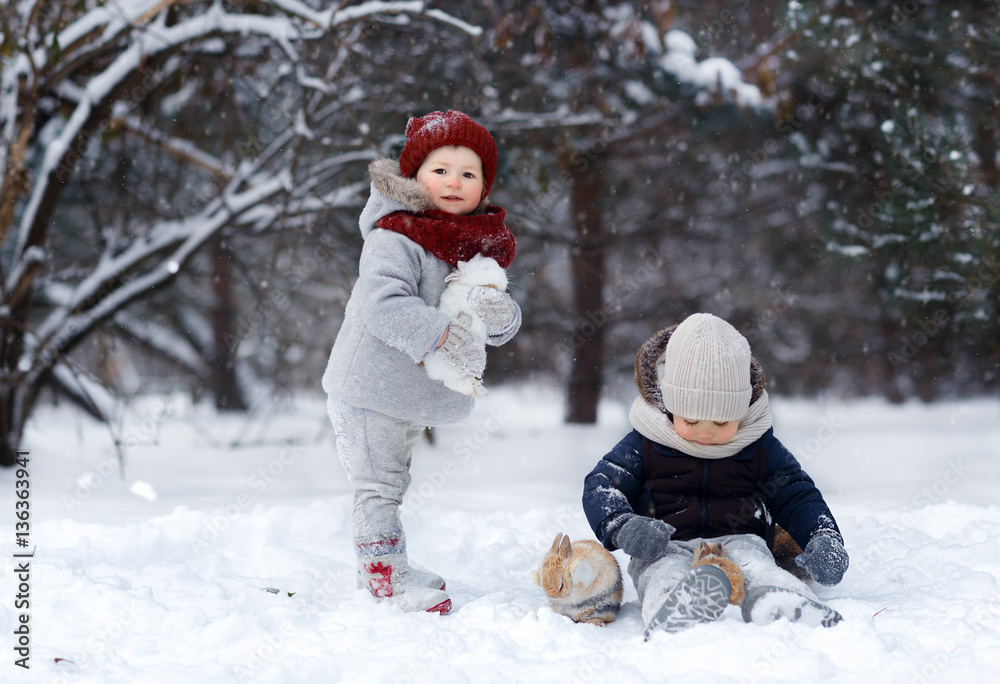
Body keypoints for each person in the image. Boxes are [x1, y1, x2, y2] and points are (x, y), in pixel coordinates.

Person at [323, 111, 520, 614]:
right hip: (367, 387)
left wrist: (500, 315)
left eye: (469, 173)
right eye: (441, 169)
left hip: (404, 392)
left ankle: (391, 562)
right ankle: (386, 581)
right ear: (414, 177)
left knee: (395, 479)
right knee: (378, 485)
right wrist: (442, 337)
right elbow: (383, 304)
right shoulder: (395, 235)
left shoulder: (469, 246)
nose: (454, 181)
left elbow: (486, 317)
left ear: (483, 188)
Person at [582, 313, 848, 635]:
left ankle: (787, 603)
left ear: (742, 408)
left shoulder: (758, 445)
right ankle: (672, 610)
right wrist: (623, 525)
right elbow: (602, 485)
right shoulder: (646, 441)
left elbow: (796, 493)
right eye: (691, 421)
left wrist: (823, 538)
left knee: (758, 565)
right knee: (661, 573)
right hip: (666, 542)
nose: (704, 434)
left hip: (741, 538)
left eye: (721, 423)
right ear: (670, 405)